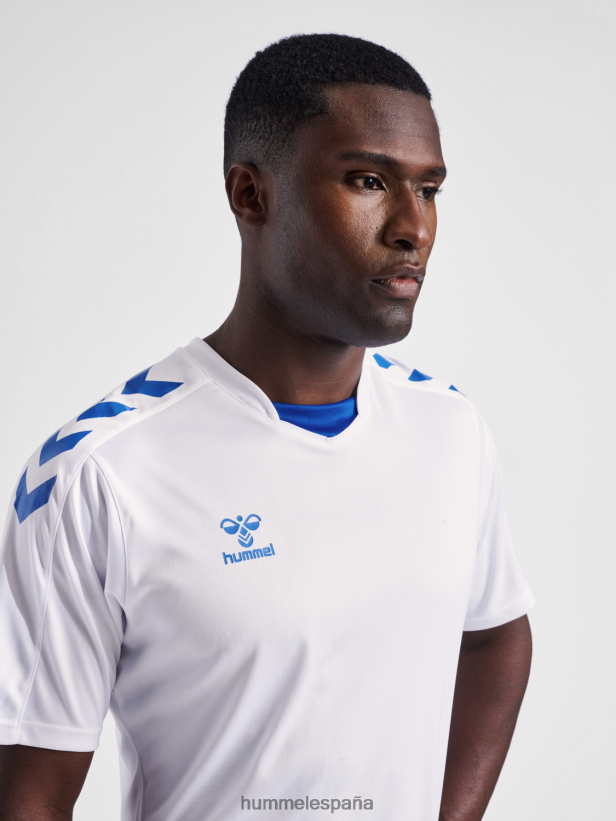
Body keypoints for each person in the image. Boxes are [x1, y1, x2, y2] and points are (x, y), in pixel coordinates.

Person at [0, 33, 534, 821]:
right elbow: (29, 796)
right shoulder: (98, 473)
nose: (412, 227)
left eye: (429, 189)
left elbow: (496, 635)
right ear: (251, 194)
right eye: (368, 181)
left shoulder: (451, 430)